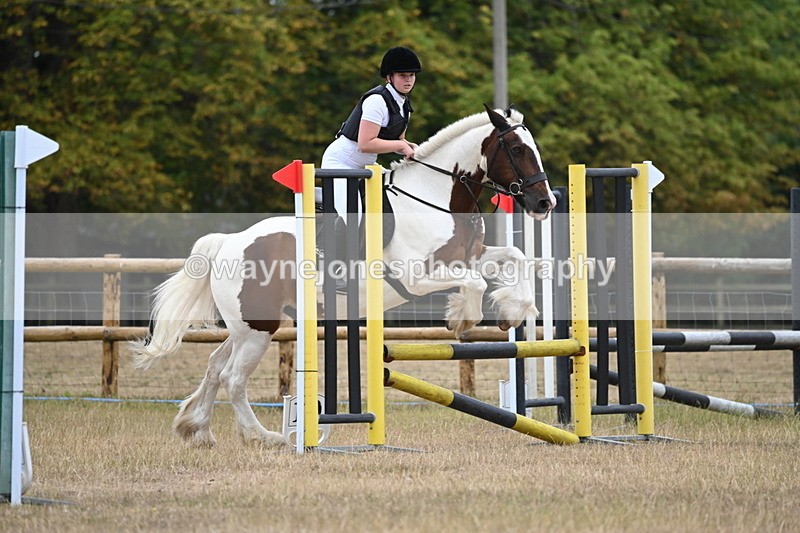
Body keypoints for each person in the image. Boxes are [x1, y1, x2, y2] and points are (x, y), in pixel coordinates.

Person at [322, 46, 422, 222]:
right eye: (402, 75)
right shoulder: (377, 101)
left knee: (400, 194)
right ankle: (323, 250)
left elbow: (397, 140)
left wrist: (411, 147)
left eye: (411, 75)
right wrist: (400, 146)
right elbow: (366, 144)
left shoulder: (404, 105)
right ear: (389, 77)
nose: (408, 80)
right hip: (341, 163)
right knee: (353, 217)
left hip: (366, 165)